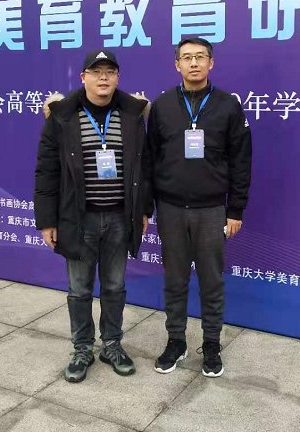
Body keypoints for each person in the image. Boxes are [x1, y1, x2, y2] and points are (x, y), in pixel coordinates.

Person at [35, 49, 152, 382]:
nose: (103, 77)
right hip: (78, 219)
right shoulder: (62, 117)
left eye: (110, 72)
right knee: (79, 289)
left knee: (114, 286)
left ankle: (112, 344)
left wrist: (143, 210)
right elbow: (47, 171)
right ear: (83, 77)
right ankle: (82, 348)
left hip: (119, 218)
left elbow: (144, 168)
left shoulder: (131, 115)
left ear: (118, 78)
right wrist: (47, 220)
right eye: (96, 71)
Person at [147, 37, 252, 377]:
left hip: (211, 211)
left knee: (211, 282)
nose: (194, 63)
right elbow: (150, 159)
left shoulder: (227, 105)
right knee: (174, 280)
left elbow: (241, 161)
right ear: (177, 64)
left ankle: (211, 345)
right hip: (171, 208)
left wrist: (235, 210)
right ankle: (176, 341)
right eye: (187, 58)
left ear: (211, 63)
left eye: (200, 57)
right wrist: (147, 207)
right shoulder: (162, 104)